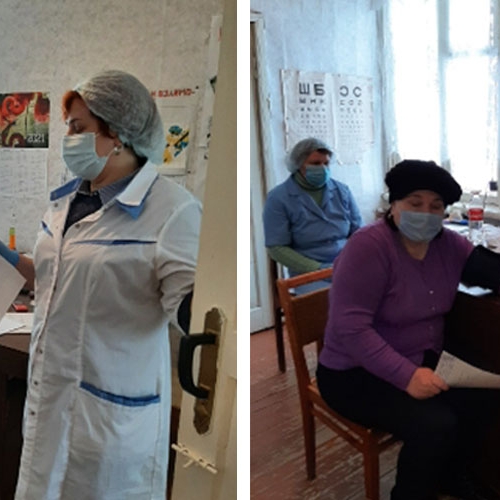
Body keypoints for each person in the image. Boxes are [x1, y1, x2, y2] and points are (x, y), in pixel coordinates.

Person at [0, 70, 202, 500]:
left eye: (78, 128)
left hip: (109, 419)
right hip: (49, 398)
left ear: (118, 134)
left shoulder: (173, 212)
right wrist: (9, 257)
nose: (68, 138)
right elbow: (55, 274)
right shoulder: (67, 201)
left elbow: (196, 312)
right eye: (68, 127)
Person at [316, 159, 500, 500]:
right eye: (415, 203)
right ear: (394, 204)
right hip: (353, 373)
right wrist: (406, 376)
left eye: (436, 206)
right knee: (434, 425)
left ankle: (451, 476)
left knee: (485, 398)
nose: (426, 214)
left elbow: (489, 271)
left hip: (420, 357)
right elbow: (349, 328)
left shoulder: (447, 244)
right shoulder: (368, 246)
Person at [263, 137, 362, 293]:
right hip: (307, 273)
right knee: (331, 299)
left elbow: (359, 233)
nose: (322, 168)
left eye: (326, 163)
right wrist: (318, 269)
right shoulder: (278, 198)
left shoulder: (342, 191)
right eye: (315, 163)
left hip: (346, 265)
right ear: (298, 165)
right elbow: (277, 248)